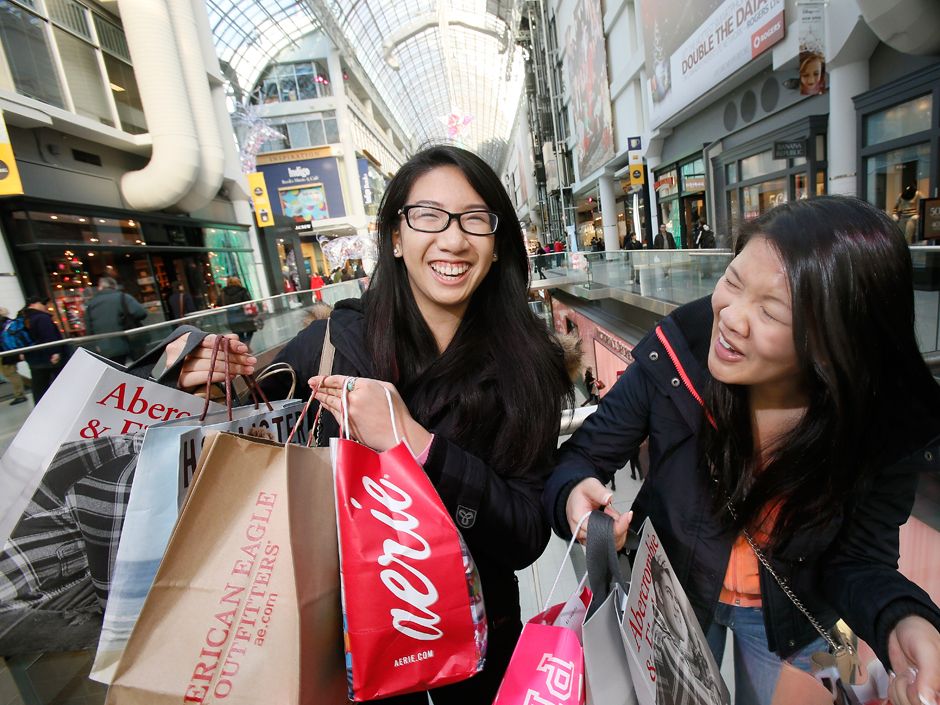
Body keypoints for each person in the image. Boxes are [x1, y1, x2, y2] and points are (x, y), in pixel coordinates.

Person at [167, 145, 574, 704]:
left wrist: (417, 445)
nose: (452, 240)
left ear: (497, 243)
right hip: (349, 648)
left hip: (474, 648)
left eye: (474, 220)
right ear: (395, 238)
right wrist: (197, 379)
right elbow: (238, 442)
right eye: (428, 216)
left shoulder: (531, 367)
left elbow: (525, 535)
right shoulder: (332, 345)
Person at [543, 195, 940, 705]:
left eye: (772, 311)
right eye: (731, 281)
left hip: (800, 618)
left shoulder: (876, 426)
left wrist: (901, 618)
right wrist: (574, 493)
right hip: (675, 595)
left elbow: (861, 561)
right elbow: (579, 458)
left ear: (833, 343)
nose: (730, 317)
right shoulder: (677, 354)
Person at [85, 277, 147, 364]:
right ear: (114, 286)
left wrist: (95, 345)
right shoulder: (123, 297)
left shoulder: (91, 304)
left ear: (100, 287)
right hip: (130, 341)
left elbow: (89, 328)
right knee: (142, 368)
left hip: (106, 346)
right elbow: (141, 313)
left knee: (116, 371)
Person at [21, 297, 65, 403]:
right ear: (33, 304)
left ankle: (40, 410)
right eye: (42, 303)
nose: (45, 306)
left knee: (39, 388)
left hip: (33, 359)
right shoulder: (41, 318)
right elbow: (49, 336)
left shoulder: (24, 318)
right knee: (59, 383)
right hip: (47, 358)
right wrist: (55, 352)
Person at [0, 307, 28, 405]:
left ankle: (19, 394)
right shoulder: (9, 323)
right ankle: (30, 384)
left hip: (7, 353)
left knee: (10, 373)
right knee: (10, 373)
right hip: (9, 352)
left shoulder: (3, 324)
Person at [220, 276, 256, 345]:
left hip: (231, 317)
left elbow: (219, 303)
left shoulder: (223, 292)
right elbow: (248, 302)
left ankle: (244, 345)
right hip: (244, 316)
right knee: (250, 330)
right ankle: (247, 344)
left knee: (239, 334)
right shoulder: (243, 290)